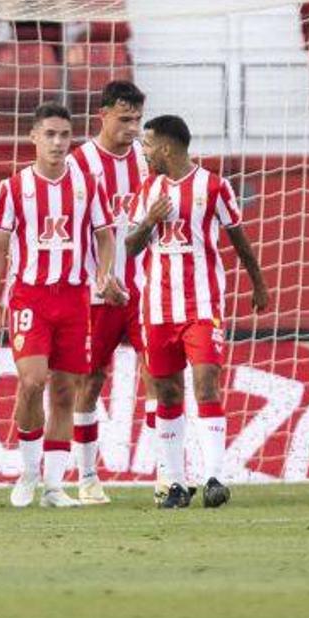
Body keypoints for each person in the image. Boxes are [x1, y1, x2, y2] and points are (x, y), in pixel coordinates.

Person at [0, 101, 125, 509]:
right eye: (50, 135)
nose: (58, 143)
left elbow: (104, 235)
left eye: (64, 135)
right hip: (32, 296)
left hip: (75, 298)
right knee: (31, 382)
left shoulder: (87, 185)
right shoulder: (12, 188)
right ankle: (28, 471)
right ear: (34, 138)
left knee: (65, 390)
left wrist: (104, 272)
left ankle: (54, 486)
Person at [126, 115, 269, 509]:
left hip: (202, 306)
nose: (145, 152)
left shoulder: (213, 186)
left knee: (205, 382)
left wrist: (258, 283)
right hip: (157, 308)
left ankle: (214, 477)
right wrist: (151, 220)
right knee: (168, 391)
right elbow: (130, 246)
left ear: (167, 147)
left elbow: (238, 238)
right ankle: (173, 482)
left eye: (149, 144)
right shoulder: (147, 190)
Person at [68, 80, 153, 505]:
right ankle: (86, 476)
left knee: (161, 375)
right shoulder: (79, 162)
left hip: (144, 288)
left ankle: (166, 473)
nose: (132, 128)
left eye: (137, 119)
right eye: (124, 119)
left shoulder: (148, 159)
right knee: (90, 378)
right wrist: (99, 277)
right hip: (95, 292)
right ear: (102, 115)